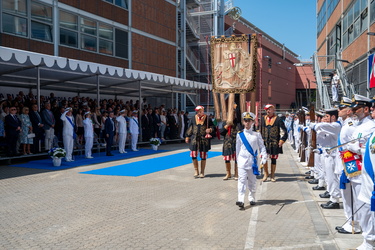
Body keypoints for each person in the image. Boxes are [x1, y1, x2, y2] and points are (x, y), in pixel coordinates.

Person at [235, 112, 267, 210]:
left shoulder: (256, 134)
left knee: (252, 181)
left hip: (253, 162)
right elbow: (237, 148)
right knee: (242, 180)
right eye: (245, 120)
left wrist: (264, 157)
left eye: (249, 120)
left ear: (253, 122)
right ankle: (240, 199)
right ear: (243, 122)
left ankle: (252, 197)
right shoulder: (240, 134)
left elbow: (262, 147)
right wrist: (237, 161)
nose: (247, 122)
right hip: (242, 161)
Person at [260, 104, 288, 182]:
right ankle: (266, 174)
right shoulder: (262, 119)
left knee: (273, 159)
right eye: (267, 110)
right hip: (264, 142)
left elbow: (284, 131)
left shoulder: (278, 119)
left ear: (273, 110)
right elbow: (259, 130)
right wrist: (260, 139)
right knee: (264, 158)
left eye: (269, 109)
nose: (268, 111)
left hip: (274, 142)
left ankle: (272, 174)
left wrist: (281, 141)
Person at [185, 105, 214, 178]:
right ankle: (196, 170)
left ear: (203, 111)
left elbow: (213, 127)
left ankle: (202, 172)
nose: (199, 112)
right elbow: (190, 127)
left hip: (203, 139)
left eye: (200, 111)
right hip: (194, 139)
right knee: (194, 155)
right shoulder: (193, 118)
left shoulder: (207, 118)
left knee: (203, 155)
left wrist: (210, 130)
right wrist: (187, 136)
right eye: (197, 111)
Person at [220, 104, 241, 180]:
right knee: (227, 158)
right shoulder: (225, 122)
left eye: (233, 114)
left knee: (236, 159)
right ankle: (228, 173)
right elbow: (221, 132)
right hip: (227, 142)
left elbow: (239, 114)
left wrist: (236, 108)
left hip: (236, 142)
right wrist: (226, 127)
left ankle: (236, 173)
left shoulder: (238, 122)